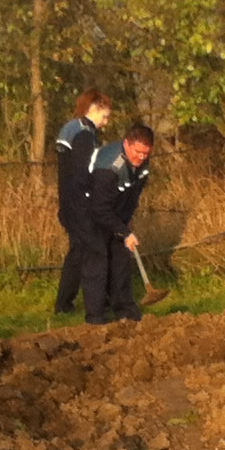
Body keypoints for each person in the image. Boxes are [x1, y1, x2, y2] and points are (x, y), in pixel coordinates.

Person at [79, 121, 157, 324]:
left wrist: (124, 228)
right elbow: (98, 207)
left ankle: (126, 313)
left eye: (145, 154)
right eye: (137, 152)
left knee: (121, 261)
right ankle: (96, 319)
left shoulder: (142, 164)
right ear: (127, 144)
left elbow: (132, 195)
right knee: (98, 262)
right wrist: (122, 230)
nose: (141, 158)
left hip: (115, 213)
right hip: (90, 213)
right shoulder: (108, 167)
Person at [51, 90, 114, 315]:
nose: (105, 123)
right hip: (81, 205)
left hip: (68, 202)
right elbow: (84, 172)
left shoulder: (70, 129)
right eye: (105, 116)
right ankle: (97, 307)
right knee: (96, 251)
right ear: (94, 108)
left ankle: (63, 304)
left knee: (78, 253)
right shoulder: (86, 134)